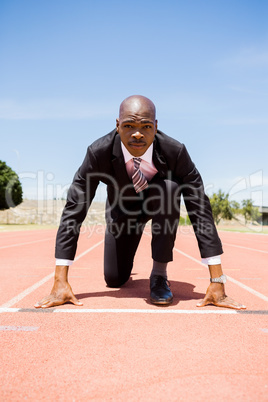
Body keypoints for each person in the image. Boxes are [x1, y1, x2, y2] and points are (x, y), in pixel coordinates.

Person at [35, 95, 246, 310]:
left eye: (146, 126)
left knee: (170, 189)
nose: (137, 134)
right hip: (122, 213)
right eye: (129, 126)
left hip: (161, 202)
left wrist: (217, 280)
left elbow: (199, 207)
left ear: (155, 127)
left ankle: (159, 276)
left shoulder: (176, 152)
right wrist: (60, 279)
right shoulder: (98, 153)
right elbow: (74, 209)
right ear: (118, 126)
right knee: (114, 280)